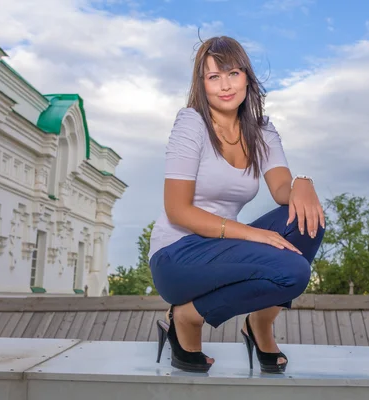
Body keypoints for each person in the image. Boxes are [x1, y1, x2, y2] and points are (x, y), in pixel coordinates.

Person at [149, 36, 325, 374]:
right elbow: (178, 210)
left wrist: (304, 183)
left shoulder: (262, 130)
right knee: (294, 271)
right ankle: (186, 316)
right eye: (213, 77)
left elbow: (282, 191)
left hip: (225, 247)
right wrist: (253, 235)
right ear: (201, 85)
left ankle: (259, 325)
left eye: (232, 73)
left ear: (247, 76)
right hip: (177, 256)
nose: (225, 86)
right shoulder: (191, 124)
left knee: (309, 219)